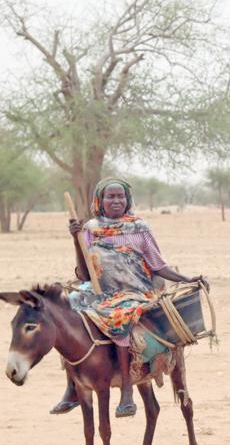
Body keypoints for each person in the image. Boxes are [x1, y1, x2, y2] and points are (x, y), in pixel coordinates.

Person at [64, 178, 204, 418]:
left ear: (127, 200)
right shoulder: (89, 229)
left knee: (120, 317)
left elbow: (159, 266)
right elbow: (84, 273)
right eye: (111, 197)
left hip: (134, 293)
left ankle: (127, 390)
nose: (116, 201)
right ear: (100, 201)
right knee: (66, 310)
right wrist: (76, 241)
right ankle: (72, 387)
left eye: (121, 196)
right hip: (100, 292)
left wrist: (187, 278)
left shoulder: (139, 228)